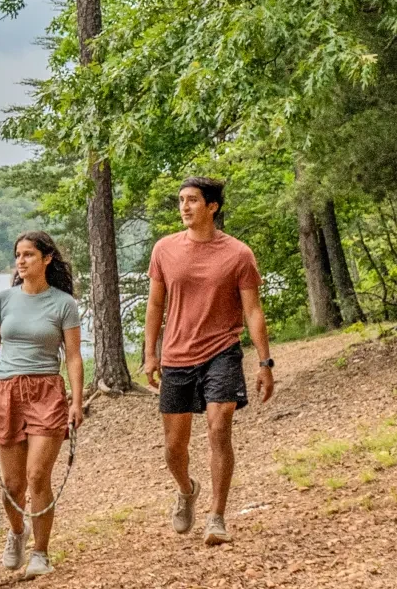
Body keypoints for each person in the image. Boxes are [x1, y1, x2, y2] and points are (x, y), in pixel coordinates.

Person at [142, 176, 272, 546]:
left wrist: (265, 362)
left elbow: (253, 310)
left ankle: (217, 516)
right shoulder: (164, 250)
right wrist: (151, 352)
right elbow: (155, 304)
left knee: (218, 428)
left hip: (222, 352)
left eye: (193, 200)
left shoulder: (238, 254)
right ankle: (186, 490)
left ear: (213, 207)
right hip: (177, 356)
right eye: (182, 200)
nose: (184, 207)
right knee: (174, 448)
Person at [0, 230, 88, 578]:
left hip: (46, 393)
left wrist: (76, 402)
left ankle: (40, 552)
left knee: (38, 476)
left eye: (29, 255)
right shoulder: (3, 300)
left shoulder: (63, 304)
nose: (20, 261)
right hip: (6, 392)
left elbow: (75, 357)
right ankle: (18, 532)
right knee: (12, 484)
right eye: (18, 255)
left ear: (47, 259)